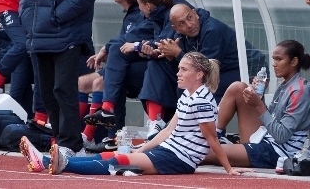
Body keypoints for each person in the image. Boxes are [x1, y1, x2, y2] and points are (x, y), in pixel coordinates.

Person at [19, 51, 253, 176]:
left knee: (121, 161)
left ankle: (55, 162)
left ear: (199, 74)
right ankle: (52, 161)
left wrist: (229, 169)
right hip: (170, 151)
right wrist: (142, 148)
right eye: (179, 69)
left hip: (180, 159)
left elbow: (212, 138)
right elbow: (169, 131)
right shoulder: (189, 95)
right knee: (119, 157)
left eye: (183, 70)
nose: (178, 73)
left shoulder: (202, 99)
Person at [19, 0, 99, 158]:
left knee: (63, 89)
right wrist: (26, 12)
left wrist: (55, 16)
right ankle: (62, 140)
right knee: (45, 91)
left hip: (65, 34)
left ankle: (70, 144)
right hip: (39, 33)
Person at [137, 3, 266, 139]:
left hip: (246, 69)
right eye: (182, 23)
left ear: (195, 14)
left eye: (190, 18)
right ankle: (157, 121)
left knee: (200, 85)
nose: (189, 25)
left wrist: (177, 53)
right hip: (219, 68)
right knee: (157, 65)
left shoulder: (213, 29)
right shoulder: (179, 34)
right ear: (175, 28)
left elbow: (206, 68)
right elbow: (169, 49)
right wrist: (165, 55)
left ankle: (214, 132)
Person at [203, 40, 310, 171]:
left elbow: (282, 135)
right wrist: (260, 97)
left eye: (279, 59)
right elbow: (271, 119)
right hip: (265, 139)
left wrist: (258, 104)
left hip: (277, 152)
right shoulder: (285, 85)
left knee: (202, 153)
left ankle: (211, 145)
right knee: (238, 88)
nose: (274, 64)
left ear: (294, 62)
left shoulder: (299, 91)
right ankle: (212, 138)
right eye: (273, 59)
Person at [79, 0, 144, 152]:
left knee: (100, 81)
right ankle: (76, 132)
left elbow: (133, 41)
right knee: (82, 82)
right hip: (121, 65)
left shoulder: (140, 14)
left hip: (135, 68)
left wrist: (108, 48)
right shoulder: (130, 14)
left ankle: (90, 136)